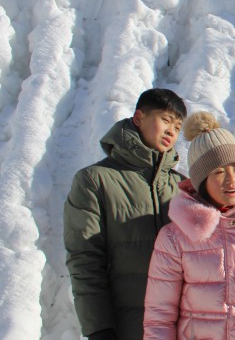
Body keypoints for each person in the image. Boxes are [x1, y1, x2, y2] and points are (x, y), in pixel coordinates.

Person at [144, 112, 235, 339]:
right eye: (218, 172)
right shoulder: (174, 238)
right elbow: (159, 316)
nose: (232, 180)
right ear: (200, 181)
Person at [64, 88, 187, 340]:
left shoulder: (182, 187)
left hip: (181, 328)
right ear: (139, 117)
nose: (171, 131)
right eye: (165, 119)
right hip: (127, 327)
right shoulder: (95, 180)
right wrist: (99, 328)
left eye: (177, 126)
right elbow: (85, 259)